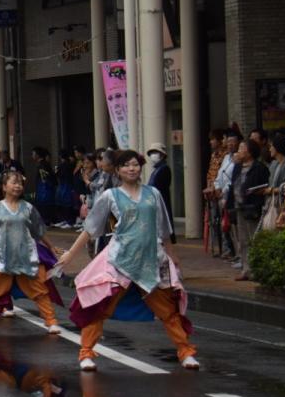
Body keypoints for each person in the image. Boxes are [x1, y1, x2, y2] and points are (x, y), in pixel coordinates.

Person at [56, 150, 198, 371]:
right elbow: (91, 227)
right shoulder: (110, 195)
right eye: (126, 165)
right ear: (118, 170)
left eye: (135, 164)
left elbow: (163, 228)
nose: (132, 169)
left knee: (168, 310)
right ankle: (86, 352)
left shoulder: (153, 194)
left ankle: (185, 352)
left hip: (152, 259)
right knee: (101, 306)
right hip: (120, 260)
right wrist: (71, 254)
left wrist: (172, 256)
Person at [0, 169, 64, 337]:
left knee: (40, 290)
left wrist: (51, 247)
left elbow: (39, 231)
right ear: (4, 187)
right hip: (2, 258)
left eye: (20, 184)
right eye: (14, 183)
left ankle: (51, 321)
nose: (18, 186)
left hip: (26, 257)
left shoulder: (28, 208)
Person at [229, 139, 269, 281]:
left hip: (252, 207)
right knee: (243, 240)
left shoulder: (259, 168)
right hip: (239, 206)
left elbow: (263, 186)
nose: (239, 151)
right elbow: (232, 185)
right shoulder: (237, 167)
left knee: (254, 238)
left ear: (250, 152)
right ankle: (246, 269)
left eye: (242, 148)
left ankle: (257, 270)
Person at [212, 130, 242, 260]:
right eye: (228, 142)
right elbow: (220, 174)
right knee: (224, 225)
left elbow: (234, 178)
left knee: (232, 225)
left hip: (230, 195)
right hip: (221, 195)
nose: (230, 144)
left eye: (233, 142)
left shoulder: (238, 159)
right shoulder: (226, 158)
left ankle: (236, 253)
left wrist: (224, 190)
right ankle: (228, 250)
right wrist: (217, 187)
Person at [145, 143, 175, 242]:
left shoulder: (164, 169)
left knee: (162, 227)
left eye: (155, 152)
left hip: (161, 202)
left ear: (162, 155)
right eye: (151, 153)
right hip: (154, 202)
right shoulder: (156, 169)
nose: (152, 155)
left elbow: (160, 187)